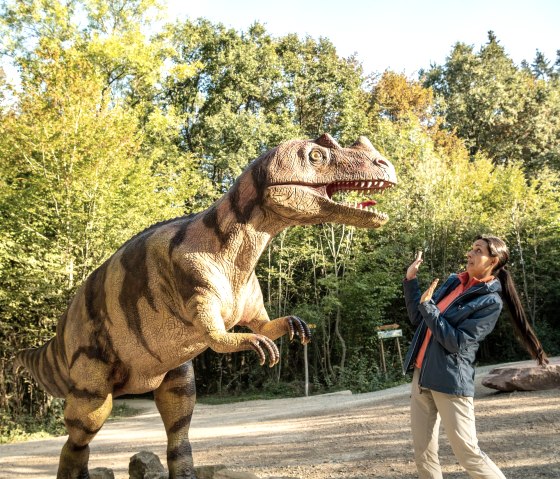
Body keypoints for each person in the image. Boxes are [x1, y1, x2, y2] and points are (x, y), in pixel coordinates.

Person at [402, 235, 548, 479]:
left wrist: (429, 308)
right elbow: (420, 320)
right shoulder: (453, 282)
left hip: (449, 381)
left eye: (478, 250)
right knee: (423, 453)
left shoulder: (489, 301)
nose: (470, 253)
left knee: (468, 453)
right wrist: (411, 281)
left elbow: (456, 342)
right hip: (422, 375)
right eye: (471, 248)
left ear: (493, 260)